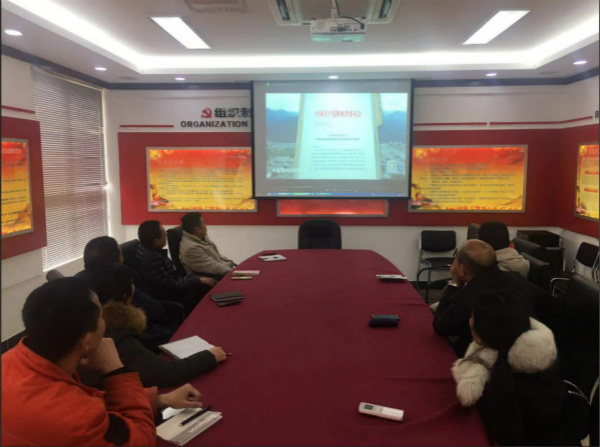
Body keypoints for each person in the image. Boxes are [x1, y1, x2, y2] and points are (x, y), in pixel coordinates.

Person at [1, 278, 204, 446]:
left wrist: (158, 400)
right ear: (86, 340)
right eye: (100, 316)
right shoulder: (78, 418)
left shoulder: (11, 360)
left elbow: (86, 399)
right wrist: (115, 371)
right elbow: (141, 438)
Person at [451, 291, 578, 446]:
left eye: (472, 317)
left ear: (478, 337)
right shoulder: (543, 360)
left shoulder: (494, 386)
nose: (469, 320)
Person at [82, 264, 227, 388]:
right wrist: (209, 356)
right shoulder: (119, 334)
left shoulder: (88, 324)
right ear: (127, 295)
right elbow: (165, 373)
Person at [432, 239, 558, 357]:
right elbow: (551, 305)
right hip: (533, 349)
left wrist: (454, 284)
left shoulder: (470, 294)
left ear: (462, 269)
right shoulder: (516, 277)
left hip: (492, 358)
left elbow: (440, 325)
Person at [75, 235, 181, 351]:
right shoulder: (119, 280)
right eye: (120, 253)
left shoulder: (77, 282)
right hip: (143, 338)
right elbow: (157, 310)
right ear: (115, 260)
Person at [135, 220, 216, 314]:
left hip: (176, 288)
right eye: (164, 234)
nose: (166, 236)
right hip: (172, 297)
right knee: (206, 288)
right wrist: (198, 281)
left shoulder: (148, 251)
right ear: (156, 241)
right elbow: (171, 286)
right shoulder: (152, 259)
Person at [179, 212, 236, 279]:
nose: (206, 225)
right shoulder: (191, 249)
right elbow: (214, 268)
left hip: (224, 270)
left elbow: (219, 257)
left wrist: (232, 264)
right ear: (197, 230)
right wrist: (235, 272)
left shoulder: (200, 237)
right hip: (215, 278)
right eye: (204, 223)